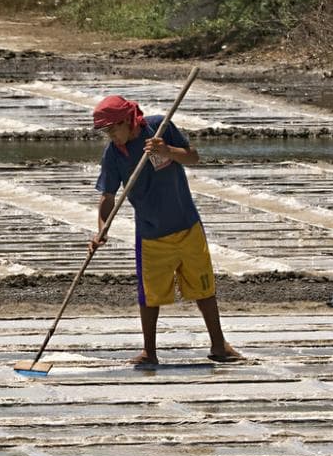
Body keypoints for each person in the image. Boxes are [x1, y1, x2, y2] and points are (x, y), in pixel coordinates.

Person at [89, 94, 241, 368]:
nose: (111, 135)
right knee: (150, 296)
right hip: (150, 233)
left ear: (127, 121)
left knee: (204, 289)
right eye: (106, 132)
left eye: (113, 129)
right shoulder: (113, 154)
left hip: (187, 224)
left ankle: (219, 345)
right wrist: (102, 229)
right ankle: (150, 351)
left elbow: (193, 158)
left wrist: (167, 151)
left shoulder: (159, 128)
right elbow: (108, 196)